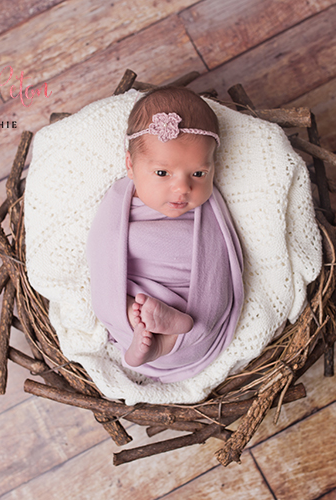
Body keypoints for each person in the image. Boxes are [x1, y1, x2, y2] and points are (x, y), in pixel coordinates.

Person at [86, 86, 245, 383]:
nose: (182, 188)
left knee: (209, 310)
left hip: (190, 292)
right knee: (118, 301)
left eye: (198, 174)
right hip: (140, 292)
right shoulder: (118, 200)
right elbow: (102, 251)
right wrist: (129, 306)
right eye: (162, 173)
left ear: (213, 168)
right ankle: (143, 330)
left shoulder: (209, 207)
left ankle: (171, 334)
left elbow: (220, 254)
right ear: (130, 166)